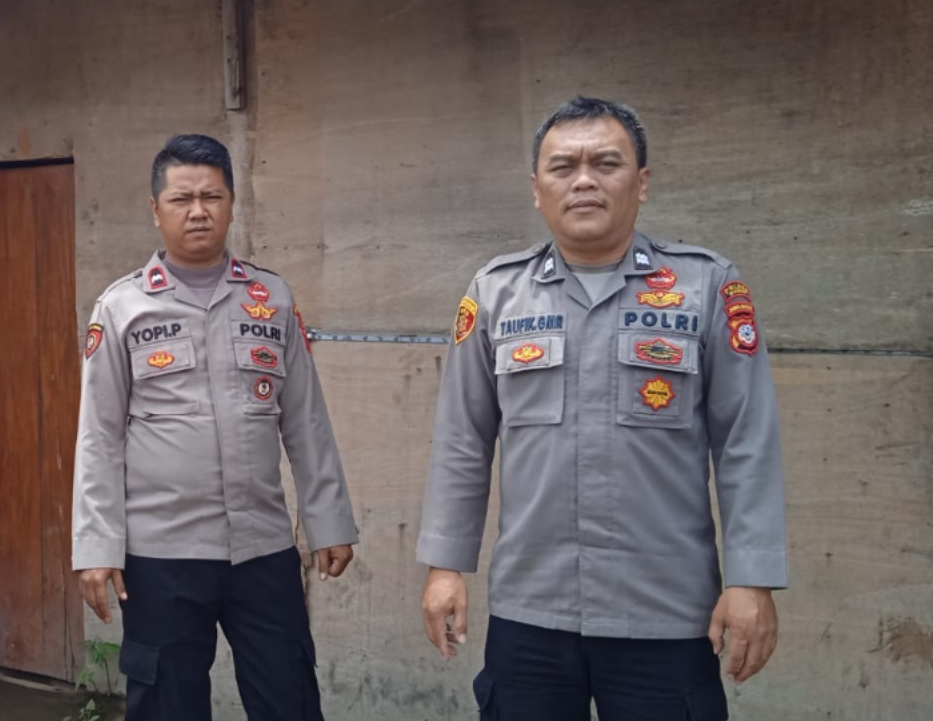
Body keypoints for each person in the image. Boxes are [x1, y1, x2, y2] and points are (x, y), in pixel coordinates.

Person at [417, 97, 787, 720]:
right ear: (536, 189)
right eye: (563, 167)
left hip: (666, 611)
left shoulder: (705, 287)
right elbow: (462, 440)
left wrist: (751, 579)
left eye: (606, 164)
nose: (583, 180)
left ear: (641, 182)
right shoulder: (496, 293)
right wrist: (445, 567)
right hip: (531, 608)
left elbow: (746, 442)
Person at [73, 133, 359, 721]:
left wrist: (329, 521)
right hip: (160, 556)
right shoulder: (122, 307)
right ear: (155, 210)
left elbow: (306, 420)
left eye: (212, 196)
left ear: (232, 204)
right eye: (181, 199)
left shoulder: (271, 297)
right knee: (168, 706)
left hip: (262, 549)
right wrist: (97, 547)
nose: (198, 211)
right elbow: (99, 437)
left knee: (289, 699)